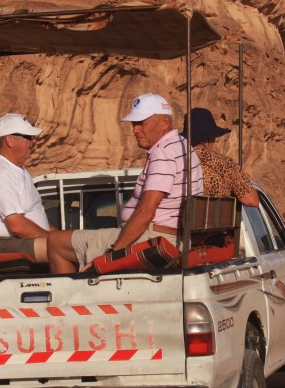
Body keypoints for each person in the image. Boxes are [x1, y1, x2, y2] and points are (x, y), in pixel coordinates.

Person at [47, 93, 204, 273]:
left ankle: (75, 291)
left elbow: (146, 212)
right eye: (134, 123)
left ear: (164, 123)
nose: (135, 130)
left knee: (56, 242)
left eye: (141, 123)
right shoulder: (184, 146)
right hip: (175, 237)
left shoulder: (163, 153)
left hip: (152, 238)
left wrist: (112, 255)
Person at [0, 113, 52, 262]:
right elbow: (17, 226)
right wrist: (55, 240)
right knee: (64, 249)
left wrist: (63, 236)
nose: (34, 141)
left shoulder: (20, 171)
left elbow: (36, 218)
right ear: (9, 140)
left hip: (21, 241)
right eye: (28, 137)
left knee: (79, 241)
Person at [183, 107, 259, 206]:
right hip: (210, 215)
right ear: (208, 140)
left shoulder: (176, 159)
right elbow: (252, 200)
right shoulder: (226, 164)